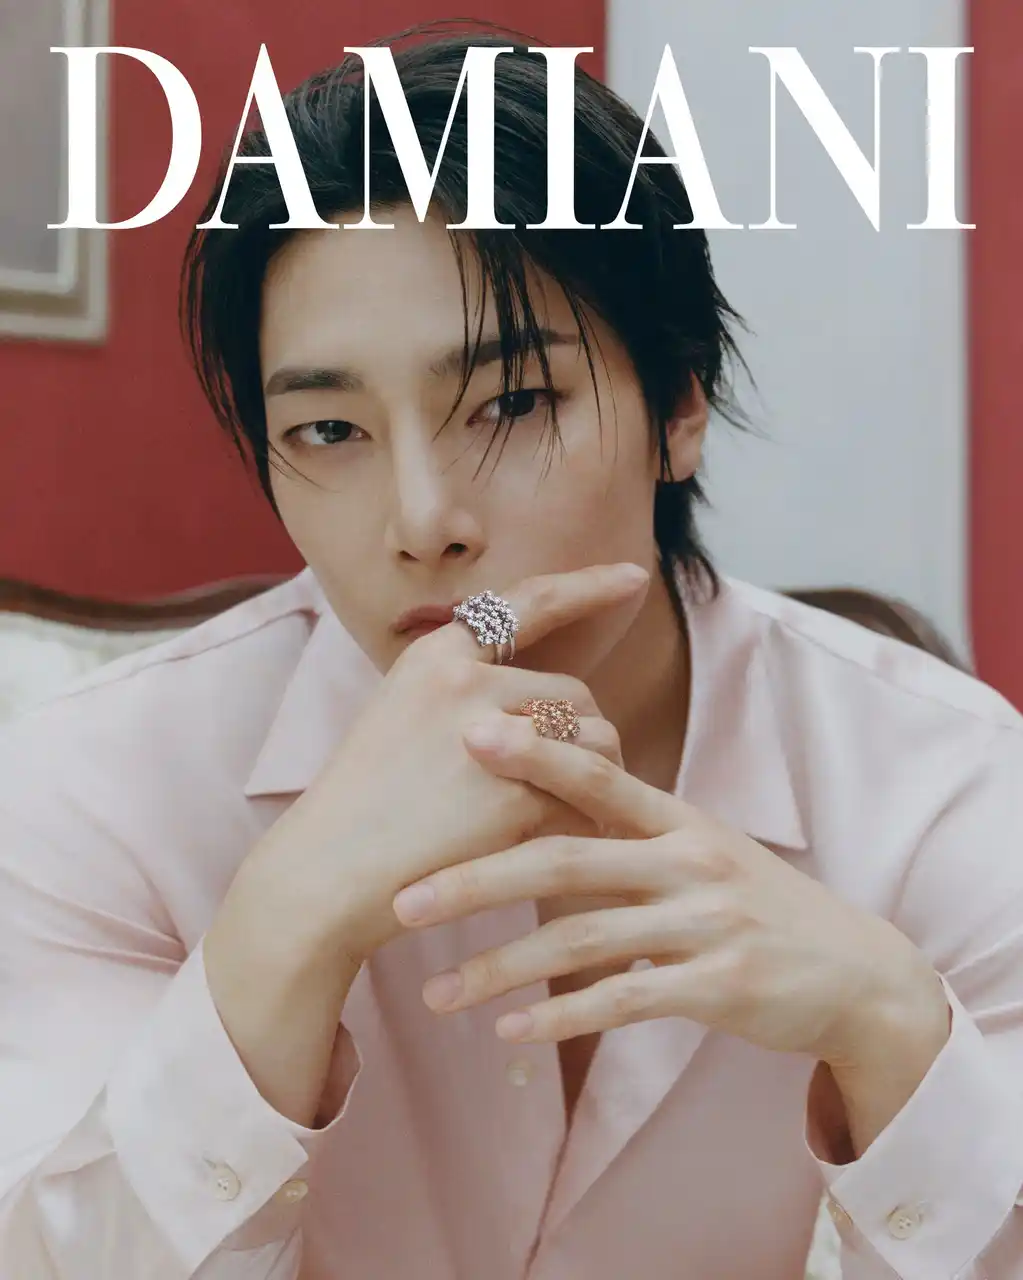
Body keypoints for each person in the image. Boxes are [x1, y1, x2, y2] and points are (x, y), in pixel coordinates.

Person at [1, 27, 1022, 1280]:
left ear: (680, 404)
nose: (422, 520)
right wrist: (281, 925)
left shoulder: (943, 783)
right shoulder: (94, 786)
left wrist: (894, 1032)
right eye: (329, 428)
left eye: (513, 403)